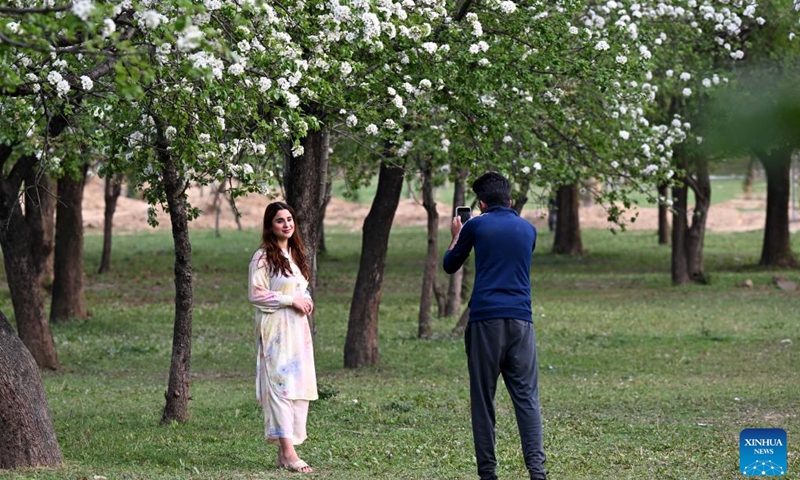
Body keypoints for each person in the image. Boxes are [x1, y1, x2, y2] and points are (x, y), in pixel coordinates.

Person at [443, 172, 547, 480]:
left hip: (485, 321)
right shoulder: (528, 230)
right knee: (527, 399)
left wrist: (456, 236)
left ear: (482, 203)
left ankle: (488, 474)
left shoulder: (476, 224)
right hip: (521, 323)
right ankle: (537, 472)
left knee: (483, 400)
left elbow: (450, 265)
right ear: (511, 201)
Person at [248, 201, 318, 473]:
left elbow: (302, 288)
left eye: (289, 219)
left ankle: (282, 452)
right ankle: (289, 453)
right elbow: (256, 294)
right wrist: (291, 301)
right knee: (280, 388)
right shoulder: (263, 257)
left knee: (298, 390)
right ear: (270, 225)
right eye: (280, 220)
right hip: (276, 331)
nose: (287, 224)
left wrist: (306, 300)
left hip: (298, 333)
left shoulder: (295, 254)